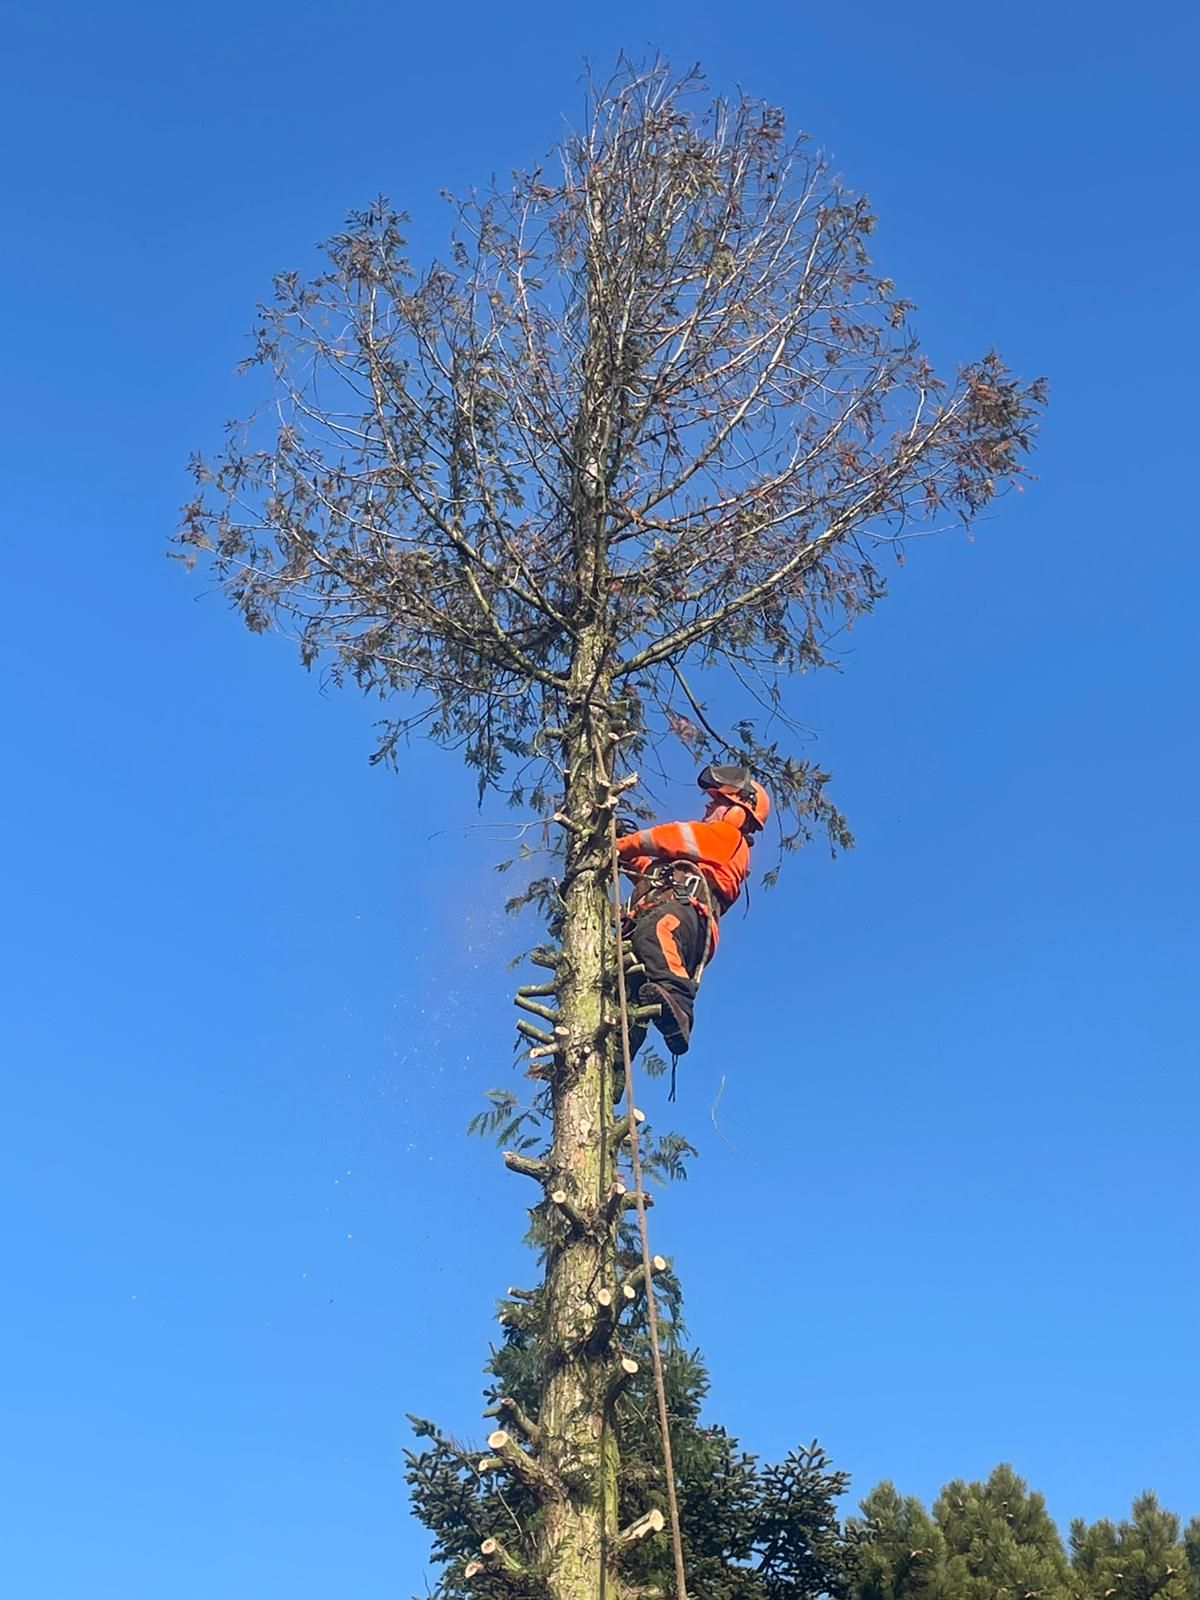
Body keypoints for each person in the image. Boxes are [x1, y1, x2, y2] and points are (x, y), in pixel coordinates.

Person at [615, 765, 770, 1063]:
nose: (709, 805)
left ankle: (679, 1004)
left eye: (718, 802)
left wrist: (621, 845)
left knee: (655, 932)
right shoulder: (694, 857)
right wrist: (629, 854)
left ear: (738, 812)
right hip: (669, 911)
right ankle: (615, 1062)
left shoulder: (725, 837)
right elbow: (651, 873)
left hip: (685, 915)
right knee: (628, 993)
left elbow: (672, 837)